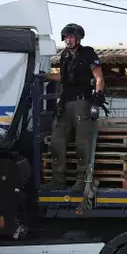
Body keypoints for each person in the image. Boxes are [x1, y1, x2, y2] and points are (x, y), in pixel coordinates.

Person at [41, 23, 105, 192]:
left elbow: (99, 77)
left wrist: (96, 101)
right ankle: (58, 179)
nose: (68, 40)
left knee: (82, 143)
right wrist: (43, 76)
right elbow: (63, 77)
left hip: (82, 102)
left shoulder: (88, 53)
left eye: (71, 37)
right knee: (56, 141)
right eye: (66, 37)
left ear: (78, 38)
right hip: (65, 103)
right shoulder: (64, 56)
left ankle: (82, 180)